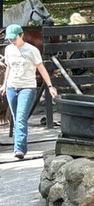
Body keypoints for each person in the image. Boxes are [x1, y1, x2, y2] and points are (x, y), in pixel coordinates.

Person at [1, 24, 57, 160]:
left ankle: (19, 149)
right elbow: (8, 67)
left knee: (20, 118)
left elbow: (41, 68)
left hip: (27, 87)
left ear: (21, 35)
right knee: (15, 118)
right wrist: (4, 84)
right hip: (11, 88)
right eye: (9, 39)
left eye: (14, 38)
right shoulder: (8, 49)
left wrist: (50, 86)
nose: (11, 41)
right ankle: (21, 147)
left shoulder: (32, 51)